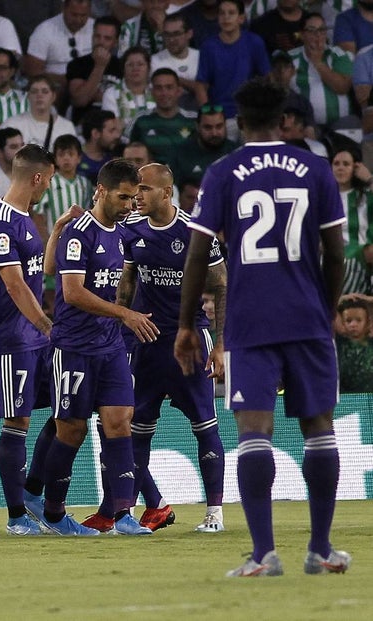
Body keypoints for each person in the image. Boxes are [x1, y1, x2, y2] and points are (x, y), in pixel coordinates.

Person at [176, 76, 351, 577]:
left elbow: (197, 254)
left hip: (249, 319)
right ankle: (320, 549)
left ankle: (263, 555)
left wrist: (185, 324)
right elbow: (335, 252)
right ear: (285, 120)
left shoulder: (223, 171)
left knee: (254, 431)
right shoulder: (315, 169)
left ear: (239, 121)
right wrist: (327, 308)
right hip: (307, 316)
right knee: (319, 427)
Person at [81, 162, 228, 534]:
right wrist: (117, 326)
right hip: (144, 343)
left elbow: (221, 286)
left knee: (204, 425)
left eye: (144, 189)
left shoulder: (196, 232)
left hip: (189, 341)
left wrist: (221, 345)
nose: (137, 196)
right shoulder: (132, 229)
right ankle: (127, 512)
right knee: (136, 429)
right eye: (135, 190)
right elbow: (127, 282)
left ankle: (214, 512)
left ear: (167, 192)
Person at [42, 158, 157, 537]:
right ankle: (54, 513)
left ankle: (122, 514)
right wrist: (125, 313)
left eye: (133, 198)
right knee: (71, 431)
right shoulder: (79, 233)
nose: (128, 205)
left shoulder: (121, 233)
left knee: (120, 421)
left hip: (109, 346)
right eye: (122, 197)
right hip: (74, 347)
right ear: (101, 191)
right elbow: (72, 292)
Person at [0, 143, 58, 536]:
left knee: (67, 411)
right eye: (48, 181)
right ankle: (15, 517)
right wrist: (46, 324)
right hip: (13, 338)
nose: (48, 187)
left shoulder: (27, 219)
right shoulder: (1, 220)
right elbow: (13, 284)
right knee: (17, 423)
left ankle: (32, 492)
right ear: (37, 177)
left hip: (36, 338)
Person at [194, 0, 270, 124]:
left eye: (231, 13)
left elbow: (267, 79)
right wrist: (208, 115)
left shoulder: (254, 42)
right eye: (222, 13)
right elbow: (201, 85)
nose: (226, 17)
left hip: (249, 115)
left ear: (241, 18)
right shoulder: (208, 46)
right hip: (220, 116)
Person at [287, 13, 355, 129]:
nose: (318, 35)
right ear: (302, 35)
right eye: (311, 30)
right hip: (304, 126)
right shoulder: (289, 58)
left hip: (341, 124)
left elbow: (342, 87)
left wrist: (318, 62)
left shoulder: (339, 55)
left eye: (322, 30)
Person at [129, 69, 197, 165]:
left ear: (179, 91)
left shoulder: (193, 120)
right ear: (152, 92)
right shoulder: (141, 121)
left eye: (169, 87)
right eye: (158, 88)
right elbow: (130, 153)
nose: (164, 93)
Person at [23, 0, 93, 90]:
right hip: (55, 87)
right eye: (74, 15)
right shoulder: (44, 30)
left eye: (83, 15)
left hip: (90, 85)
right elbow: (33, 72)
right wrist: (67, 80)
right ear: (63, 9)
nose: (78, 20)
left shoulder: (96, 28)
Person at [332, 147, 373, 295]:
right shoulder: (323, 198)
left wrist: (369, 179)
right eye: (336, 164)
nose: (340, 168)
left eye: (346, 164)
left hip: (363, 260)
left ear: (356, 168)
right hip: (332, 259)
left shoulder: (366, 196)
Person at [0, 76, 76, 151]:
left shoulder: (66, 127)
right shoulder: (12, 124)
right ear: (28, 96)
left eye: (45, 92)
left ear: (53, 96)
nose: (39, 95)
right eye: (34, 92)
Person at [171, 104, 237, 186]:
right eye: (208, 127)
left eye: (219, 126)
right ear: (197, 127)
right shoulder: (182, 153)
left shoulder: (236, 152)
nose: (214, 133)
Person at [103, 48, 156, 137]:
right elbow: (113, 128)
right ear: (123, 69)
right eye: (130, 65)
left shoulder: (157, 91)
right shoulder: (111, 93)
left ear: (149, 68)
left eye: (140, 64)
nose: (135, 68)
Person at [336, 296, 373, 392]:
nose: (353, 325)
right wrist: (340, 300)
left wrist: (366, 300)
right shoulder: (339, 343)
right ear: (342, 323)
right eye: (348, 321)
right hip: (345, 398)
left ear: (368, 322)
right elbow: (327, 311)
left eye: (358, 320)